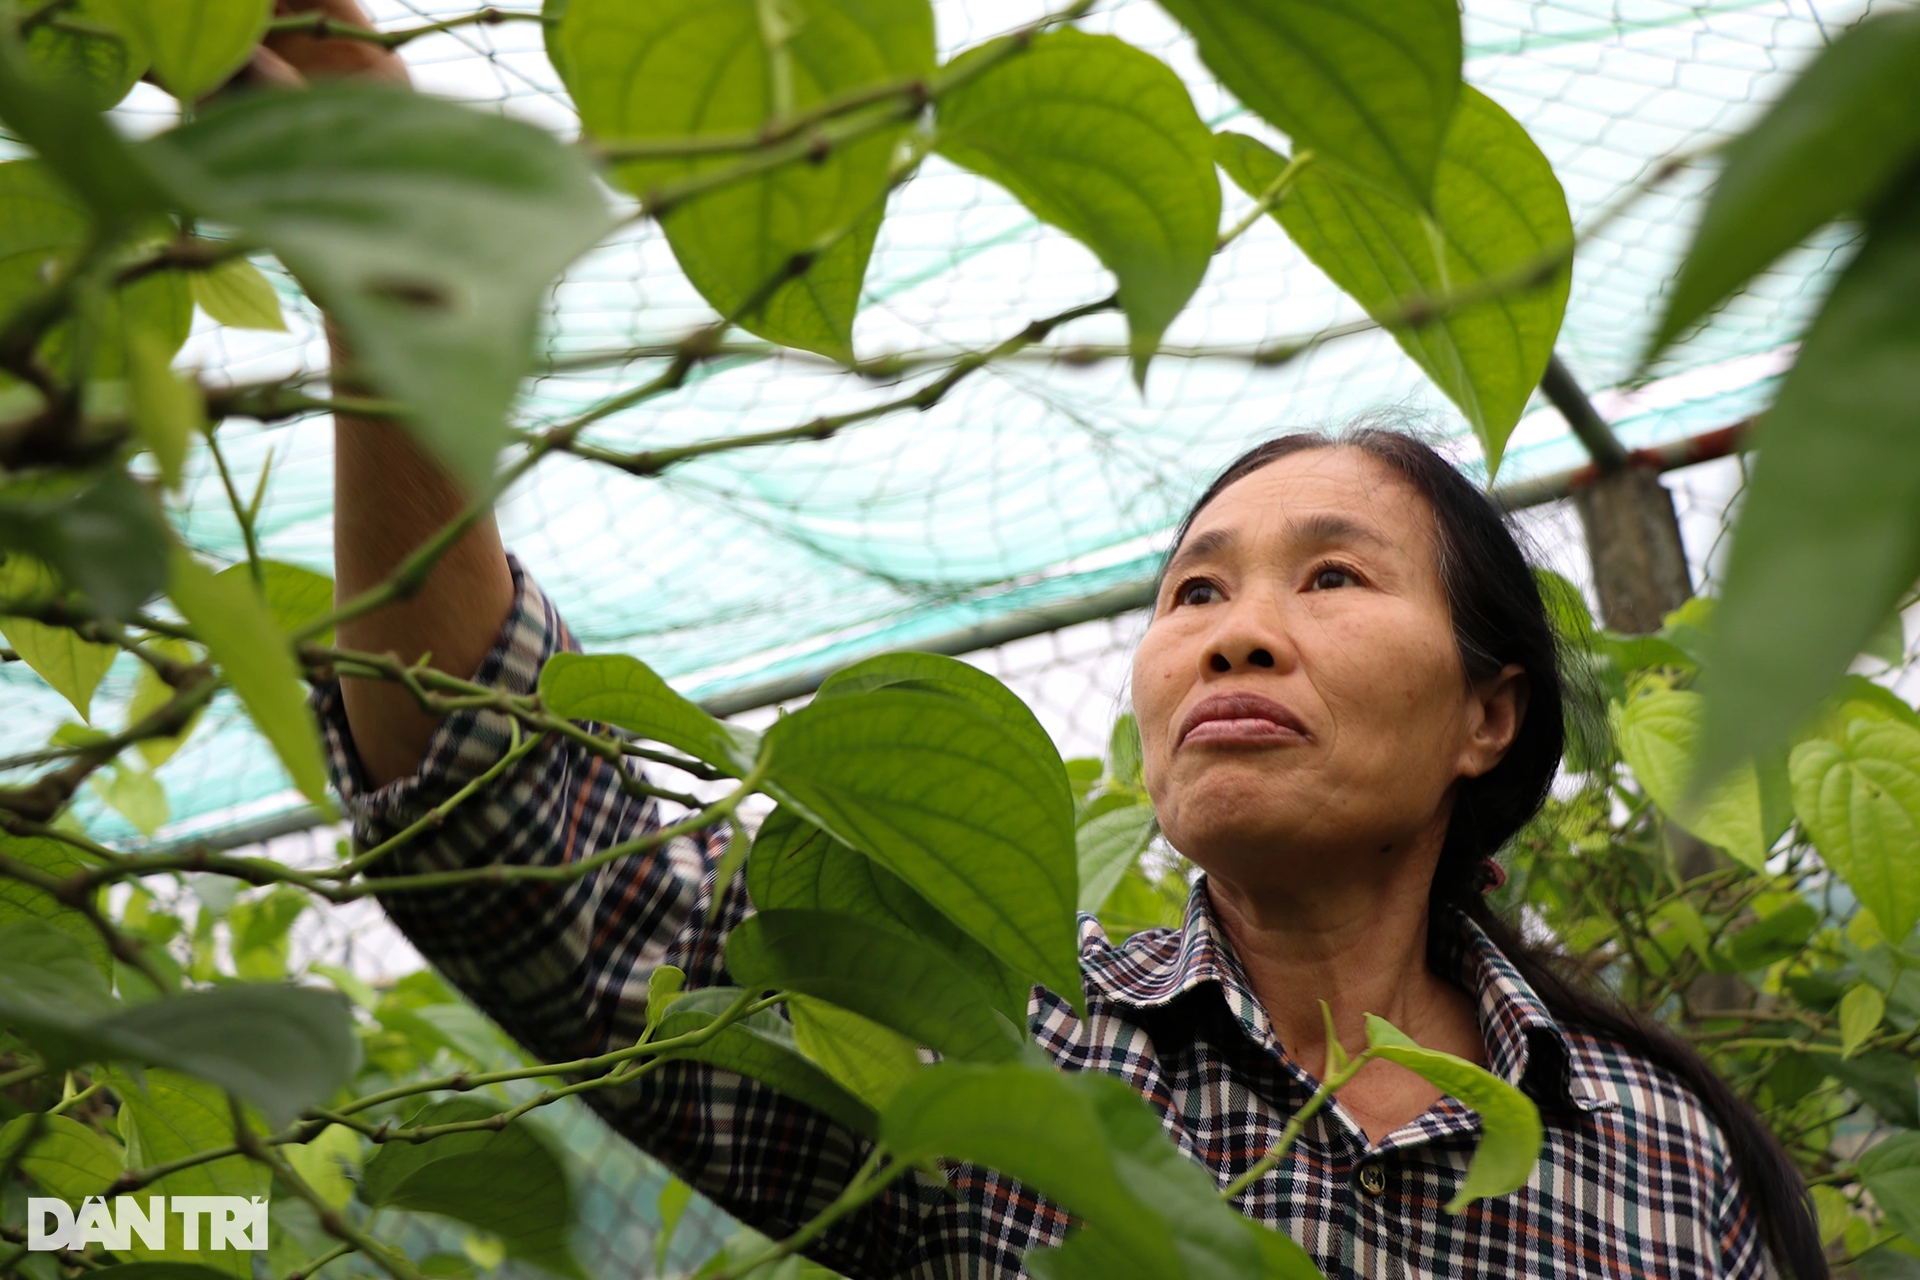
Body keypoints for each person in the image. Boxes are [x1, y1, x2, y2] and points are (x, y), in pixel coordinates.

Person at [263, 7, 1824, 1276]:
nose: (1234, 640)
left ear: (1490, 715)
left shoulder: (1660, 1158)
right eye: (1194, 595)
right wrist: (391, 285)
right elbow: (541, 878)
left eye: (1332, 578)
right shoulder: (1002, 1037)